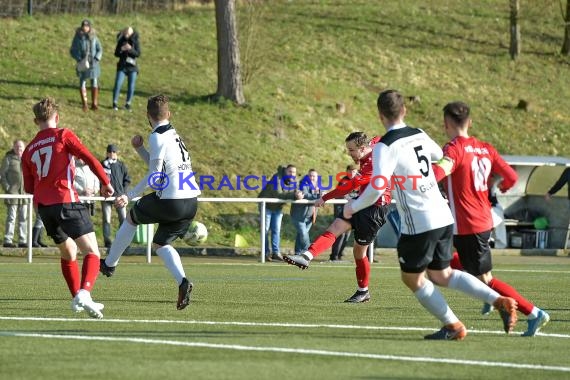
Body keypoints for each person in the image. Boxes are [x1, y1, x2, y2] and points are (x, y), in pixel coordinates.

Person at [343, 89, 517, 340]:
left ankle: (453, 325)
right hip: (443, 214)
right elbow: (442, 158)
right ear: (404, 111)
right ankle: (498, 300)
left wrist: (354, 206)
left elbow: (378, 187)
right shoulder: (419, 134)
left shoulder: (384, 146)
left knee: (412, 278)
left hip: (419, 222)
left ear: (380, 115)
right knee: (441, 274)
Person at [433, 101, 550, 337]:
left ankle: (533, 312)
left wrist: (419, 181)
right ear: (470, 122)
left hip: (468, 224)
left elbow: (439, 172)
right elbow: (511, 176)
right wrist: (503, 187)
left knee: (484, 279)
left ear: (446, 124)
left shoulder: (454, 148)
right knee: (442, 263)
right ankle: (486, 295)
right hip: (477, 220)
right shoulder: (486, 148)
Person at [99, 94, 201, 311]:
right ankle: (183, 282)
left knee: (132, 217)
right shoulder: (174, 135)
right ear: (169, 114)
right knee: (161, 243)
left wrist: (130, 194)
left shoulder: (157, 137)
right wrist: (140, 150)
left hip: (171, 199)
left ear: (148, 115)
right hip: (191, 201)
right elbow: (160, 168)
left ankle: (109, 264)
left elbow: (155, 176)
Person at [21, 97, 114, 318]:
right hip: (66, 200)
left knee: (69, 252)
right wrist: (106, 182)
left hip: (45, 208)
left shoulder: (29, 149)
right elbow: (89, 158)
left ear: (36, 121)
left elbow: (28, 187)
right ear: (57, 117)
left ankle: (78, 297)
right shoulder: (63, 135)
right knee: (92, 251)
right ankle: (84, 292)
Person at [284, 132, 391, 303]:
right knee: (334, 228)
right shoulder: (372, 145)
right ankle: (306, 257)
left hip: (374, 209)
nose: (349, 153)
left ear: (363, 149)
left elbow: (350, 186)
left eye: (351, 150)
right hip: (361, 202)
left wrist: (324, 197)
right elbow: (383, 136)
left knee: (359, 252)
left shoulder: (373, 165)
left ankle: (363, 291)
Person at [258, 164, 302, 261]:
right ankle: (265, 253)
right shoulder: (276, 178)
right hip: (266, 206)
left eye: (294, 172)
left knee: (276, 230)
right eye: (290, 172)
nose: (292, 174)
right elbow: (278, 194)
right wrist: (294, 195)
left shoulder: (294, 181)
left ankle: (276, 253)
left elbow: (299, 191)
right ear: (285, 171)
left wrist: (300, 194)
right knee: (265, 230)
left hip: (278, 208)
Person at [101, 144, 130, 248]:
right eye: (111, 152)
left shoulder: (121, 165)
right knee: (106, 220)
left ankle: (123, 241)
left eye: (114, 152)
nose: (112, 154)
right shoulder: (102, 165)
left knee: (123, 219)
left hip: (120, 197)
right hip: (106, 197)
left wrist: (124, 193)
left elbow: (127, 180)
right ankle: (107, 241)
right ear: (107, 153)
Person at [70, 19, 102, 112]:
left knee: (94, 81)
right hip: (82, 63)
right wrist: (79, 58)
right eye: (84, 26)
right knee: (82, 81)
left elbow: (99, 49)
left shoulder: (94, 37)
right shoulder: (77, 37)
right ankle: (84, 103)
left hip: (93, 63)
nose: (85, 28)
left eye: (87, 26)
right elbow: (73, 50)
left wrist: (96, 58)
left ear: (90, 27)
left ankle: (94, 103)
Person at [1, 139, 28, 248]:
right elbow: (2, 175)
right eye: (17, 147)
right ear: (14, 147)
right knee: (11, 217)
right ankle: (8, 239)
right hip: (13, 194)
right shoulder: (8, 159)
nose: (19, 149)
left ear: (24, 148)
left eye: (21, 147)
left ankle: (23, 240)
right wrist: (8, 188)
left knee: (23, 218)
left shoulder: (27, 159)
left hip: (25, 194)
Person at [329, 164, 359, 261]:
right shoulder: (344, 181)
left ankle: (339, 255)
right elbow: (342, 195)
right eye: (350, 171)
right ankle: (334, 256)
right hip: (341, 211)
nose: (352, 173)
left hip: (350, 211)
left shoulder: (358, 181)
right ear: (347, 172)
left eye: (354, 171)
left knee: (346, 235)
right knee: (340, 234)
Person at [291, 169, 322, 255]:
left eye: (314, 176)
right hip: (299, 216)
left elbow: (322, 194)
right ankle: (308, 252)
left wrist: (319, 194)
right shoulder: (303, 183)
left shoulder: (318, 185)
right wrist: (317, 195)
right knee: (304, 234)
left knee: (301, 234)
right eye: (310, 176)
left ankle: (297, 253)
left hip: (309, 216)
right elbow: (305, 194)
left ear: (317, 177)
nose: (312, 178)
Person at [112, 26, 141, 111]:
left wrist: (130, 49)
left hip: (132, 67)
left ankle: (128, 104)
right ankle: (114, 103)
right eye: (125, 33)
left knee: (131, 86)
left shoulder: (135, 41)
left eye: (128, 33)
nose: (127, 34)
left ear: (132, 33)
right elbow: (116, 53)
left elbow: (138, 54)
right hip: (122, 66)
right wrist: (121, 49)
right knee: (118, 84)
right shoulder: (121, 41)